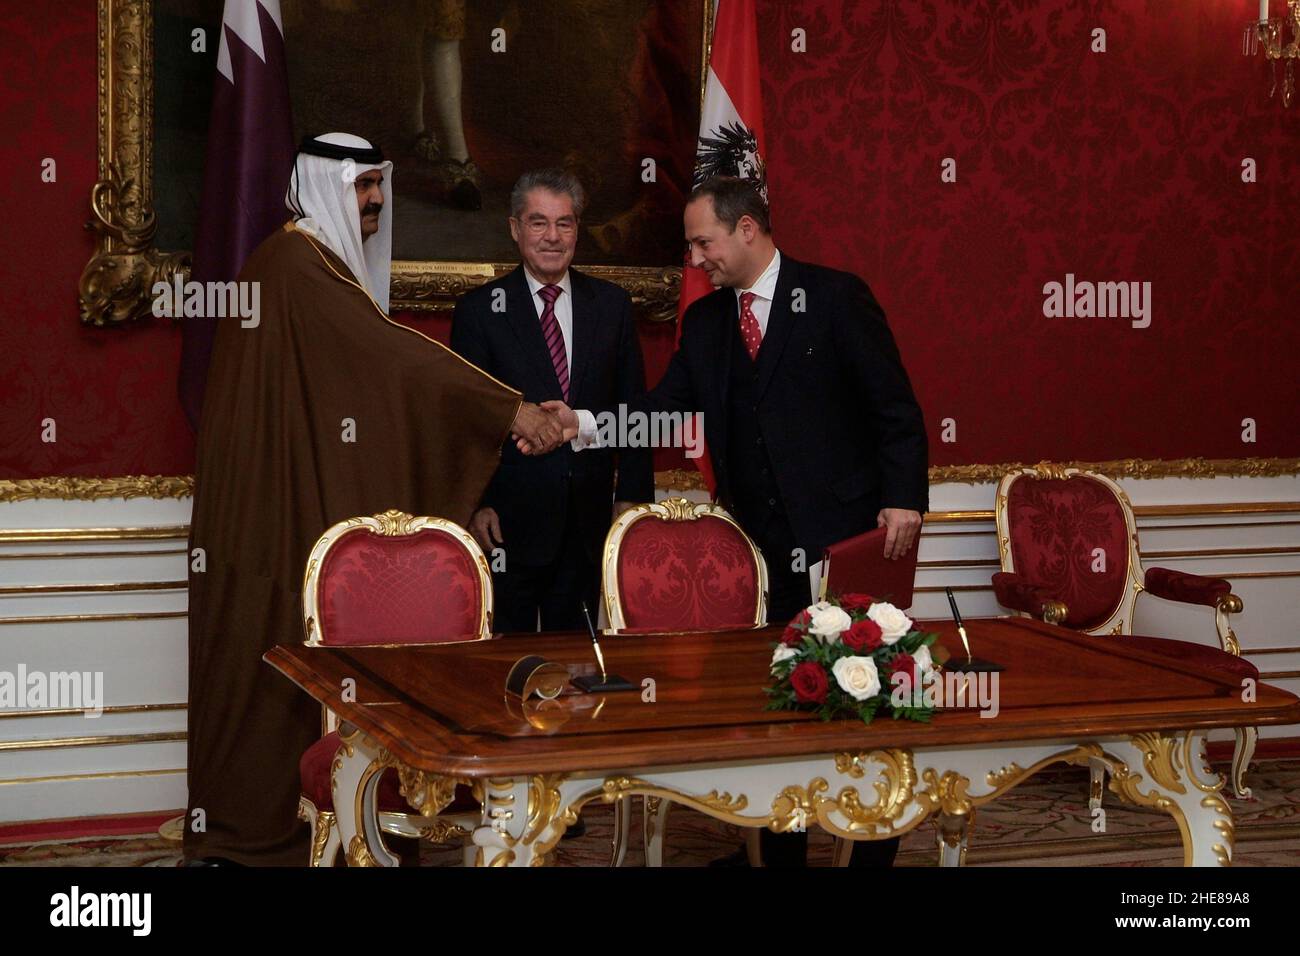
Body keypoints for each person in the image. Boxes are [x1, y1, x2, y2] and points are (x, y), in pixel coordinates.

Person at [184, 132, 564, 866]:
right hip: (273, 511)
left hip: (285, 501)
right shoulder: (297, 264)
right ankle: (271, 823)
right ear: (327, 185)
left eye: (380, 186)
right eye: (363, 188)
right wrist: (506, 410)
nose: (376, 202)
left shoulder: (303, 262)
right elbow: (390, 357)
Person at [534, 175, 929, 866]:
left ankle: (871, 859)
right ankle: (782, 859)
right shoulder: (710, 321)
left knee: (869, 712)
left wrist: (904, 499)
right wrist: (584, 424)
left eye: (701, 241)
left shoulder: (836, 298)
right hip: (764, 552)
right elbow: (665, 408)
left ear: (747, 229)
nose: (694, 259)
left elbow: (894, 408)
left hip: (852, 542)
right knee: (781, 709)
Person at [451, 169, 653, 633]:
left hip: (589, 522)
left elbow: (635, 408)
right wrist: (474, 504)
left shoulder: (612, 305)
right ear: (514, 229)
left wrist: (632, 499)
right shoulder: (480, 311)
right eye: (538, 222)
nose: (552, 237)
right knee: (508, 668)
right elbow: (465, 419)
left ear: (577, 230)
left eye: (565, 223)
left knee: (580, 668)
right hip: (506, 524)